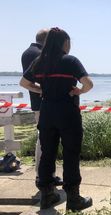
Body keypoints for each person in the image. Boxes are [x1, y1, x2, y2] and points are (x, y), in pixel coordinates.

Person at [20, 27, 93, 211]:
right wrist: (79, 91)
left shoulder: (39, 61)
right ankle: (74, 199)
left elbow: (24, 83)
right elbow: (88, 84)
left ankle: (47, 196)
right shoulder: (70, 60)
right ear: (64, 43)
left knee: (47, 153)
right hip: (67, 112)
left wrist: (41, 90)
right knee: (71, 153)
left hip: (47, 112)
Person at [21, 29, 63, 187]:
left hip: (37, 102)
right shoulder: (39, 54)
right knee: (45, 140)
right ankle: (43, 175)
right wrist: (44, 89)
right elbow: (31, 81)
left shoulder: (27, 52)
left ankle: (44, 174)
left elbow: (28, 80)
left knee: (43, 138)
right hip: (44, 102)